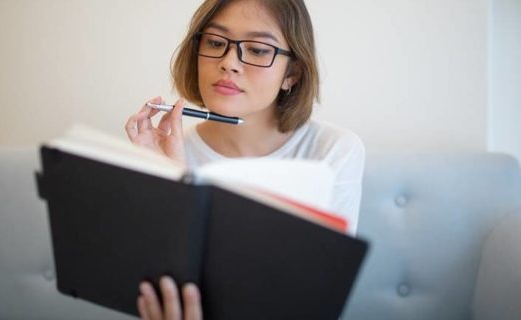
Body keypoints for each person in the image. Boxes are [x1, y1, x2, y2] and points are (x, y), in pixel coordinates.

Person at [125, 0, 365, 319]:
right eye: (214, 42)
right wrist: (170, 179)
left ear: (292, 73)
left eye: (257, 50)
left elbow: (318, 298)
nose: (229, 63)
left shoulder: (333, 150)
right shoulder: (165, 150)